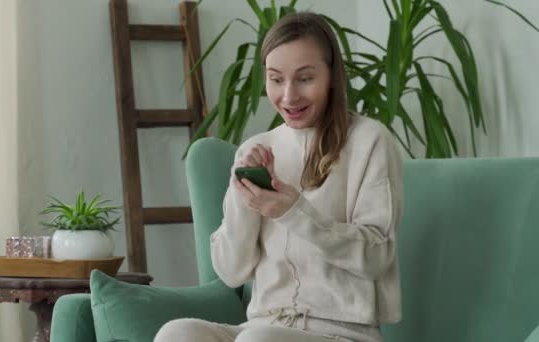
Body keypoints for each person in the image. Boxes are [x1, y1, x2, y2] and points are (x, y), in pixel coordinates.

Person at [155, 11, 403, 342]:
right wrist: (245, 201)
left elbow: (377, 256)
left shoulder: (369, 141)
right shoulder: (257, 148)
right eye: (275, 79)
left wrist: (292, 212)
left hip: (343, 333)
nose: (288, 96)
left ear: (331, 75)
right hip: (261, 326)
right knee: (177, 334)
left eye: (304, 78)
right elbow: (231, 272)